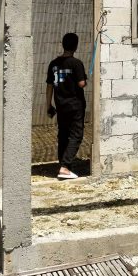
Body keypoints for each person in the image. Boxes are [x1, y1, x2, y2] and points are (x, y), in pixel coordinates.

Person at [46, 32, 87, 180]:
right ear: (76, 46)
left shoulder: (53, 64)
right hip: (75, 105)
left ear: (63, 45)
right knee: (77, 134)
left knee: (63, 135)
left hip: (61, 105)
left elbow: (49, 86)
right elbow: (81, 84)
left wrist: (48, 105)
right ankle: (65, 167)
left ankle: (64, 166)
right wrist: (84, 79)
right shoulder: (76, 64)